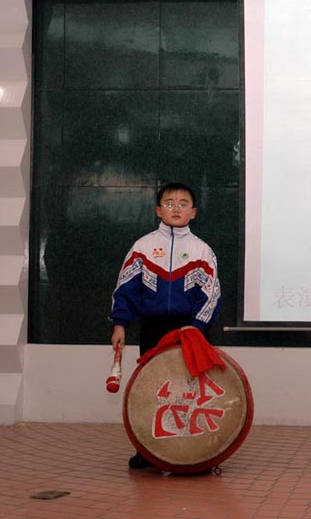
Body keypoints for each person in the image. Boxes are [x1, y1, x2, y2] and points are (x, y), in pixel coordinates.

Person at [109, 182, 221, 469]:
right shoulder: (143, 247)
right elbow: (126, 289)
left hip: (191, 330)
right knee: (152, 388)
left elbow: (212, 294)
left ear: (193, 212)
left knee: (191, 390)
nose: (176, 208)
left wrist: (197, 326)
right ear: (158, 210)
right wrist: (120, 324)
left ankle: (195, 452)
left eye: (183, 204)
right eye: (169, 203)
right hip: (153, 328)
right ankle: (148, 451)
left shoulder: (202, 250)